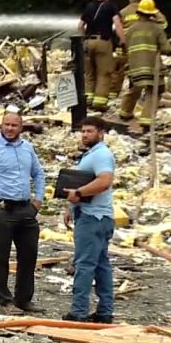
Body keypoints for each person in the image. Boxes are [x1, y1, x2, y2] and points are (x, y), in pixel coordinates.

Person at [0, 111, 47, 313]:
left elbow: (39, 173)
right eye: (6, 124)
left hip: (26, 209)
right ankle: (4, 300)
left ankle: (24, 299)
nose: (9, 128)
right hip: (3, 210)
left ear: (21, 127)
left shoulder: (27, 149)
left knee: (28, 256)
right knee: (1, 257)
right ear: (1, 125)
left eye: (14, 125)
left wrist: (38, 200)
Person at [62, 116, 116, 323]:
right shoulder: (92, 154)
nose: (85, 135)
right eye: (83, 131)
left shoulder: (101, 154)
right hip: (97, 215)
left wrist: (78, 192)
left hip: (92, 218)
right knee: (101, 265)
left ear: (100, 133)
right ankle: (104, 312)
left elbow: (104, 181)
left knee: (84, 265)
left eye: (89, 131)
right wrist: (71, 206)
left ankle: (78, 312)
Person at [118, 0, 171, 129]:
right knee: (154, 91)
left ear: (138, 13)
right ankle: (147, 119)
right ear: (152, 13)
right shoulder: (157, 28)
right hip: (152, 67)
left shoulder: (130, 30)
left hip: (134, 67)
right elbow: (166, 49)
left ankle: (124, 112)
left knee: (135, 88)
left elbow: (123, 47)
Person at [110, 0, 168, 97]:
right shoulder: (149, 11)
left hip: (126, 45)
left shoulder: (123, 12)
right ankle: (143, 93)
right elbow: (163, 24)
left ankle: (115, 95)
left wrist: (123, 41)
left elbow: (116, 28)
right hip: (145, 44)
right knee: (144, 70)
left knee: (121, 70)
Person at [78, 0, 126, 112]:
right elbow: (117, 24)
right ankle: (99, 102)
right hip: (103, 42)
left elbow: (80, 26)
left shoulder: (89, 6)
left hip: (88, 42)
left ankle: (87, 99)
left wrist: (83, 41)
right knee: (104, 73)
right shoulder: (111, 6)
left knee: (89, 73)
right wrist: (123, 40)